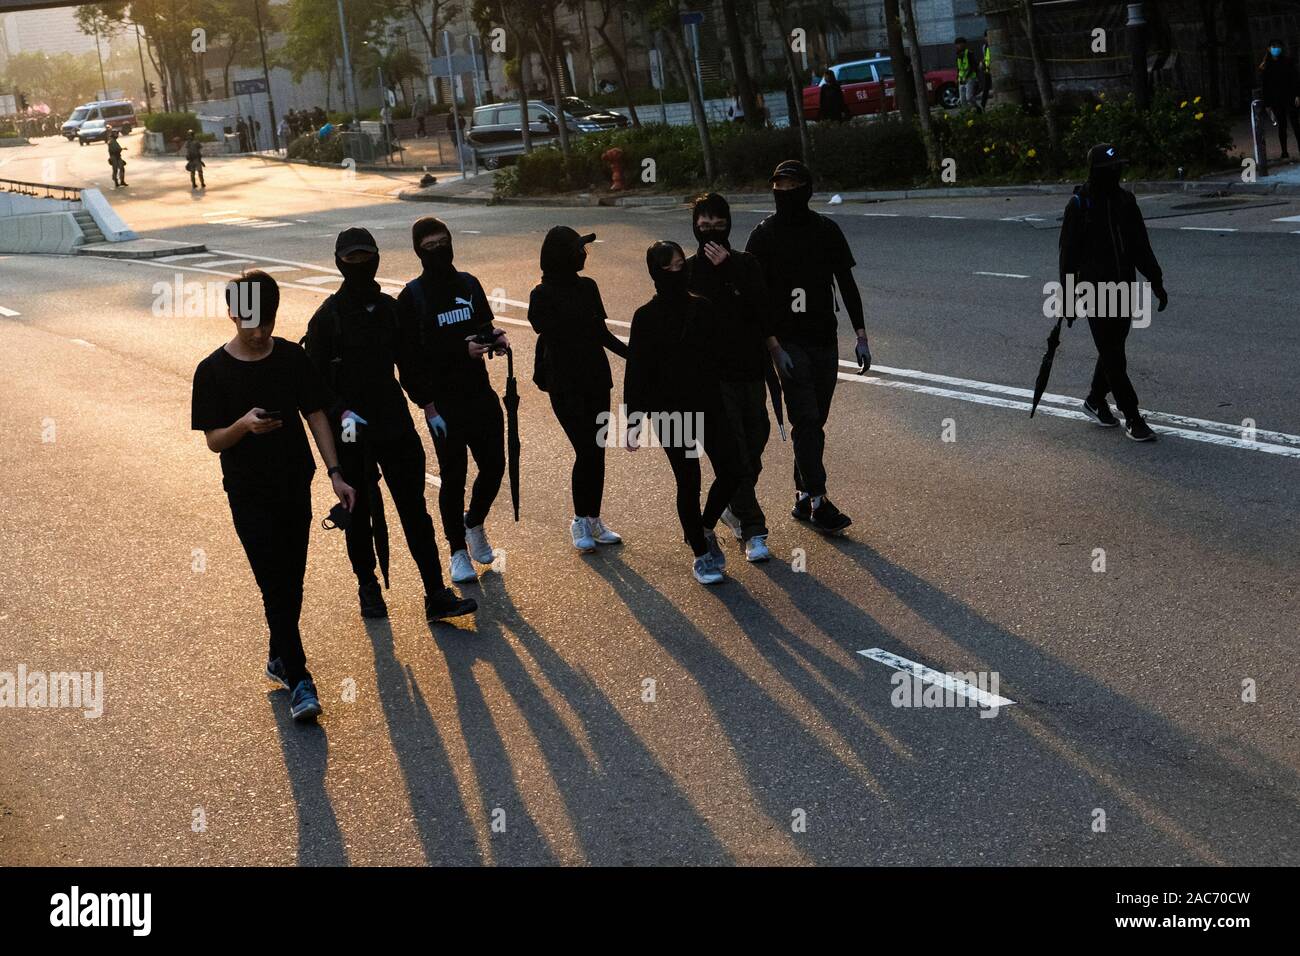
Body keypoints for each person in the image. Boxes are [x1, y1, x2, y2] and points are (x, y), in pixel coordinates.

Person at [190, 271, 357, 722]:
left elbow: (316, 413)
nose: (260, 331)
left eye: (267, 320)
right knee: (272, 581)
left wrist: (336, 474)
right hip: (248, 492)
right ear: (232, 314)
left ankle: (278, 654)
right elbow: (213, 440)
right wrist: (243, 426)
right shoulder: (212, 371)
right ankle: (300, 679)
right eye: (251, 322)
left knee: (292, 580)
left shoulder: (290, 358)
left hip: (293, 484)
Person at [304, 228, 478, 623]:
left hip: (394, 420)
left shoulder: (390, 309)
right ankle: (368, 586)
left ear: (378, 258)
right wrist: (340, 412)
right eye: (351, 260)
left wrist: (430, 407)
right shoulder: (327, 319)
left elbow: (410, 364)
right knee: (360, 511)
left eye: (367, 257)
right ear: (338, 263)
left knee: (414, 510)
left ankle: (435, 592)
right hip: (351, 430)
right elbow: (313, 388)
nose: (360, 266)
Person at [746, 160, 869, 534]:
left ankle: (801, 495)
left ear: (807, 189)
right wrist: (771, 346)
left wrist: (861, 336)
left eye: (792, 185)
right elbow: (754, 295)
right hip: (787, 342)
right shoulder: (764, 235)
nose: (785, 192)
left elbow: (846, 284)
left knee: (816, 421)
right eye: (779, 185)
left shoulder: (826, 230)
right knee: (807, 419)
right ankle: (819, 500)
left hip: (823, 337)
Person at [397, 217, 507, 585]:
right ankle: (457, 550)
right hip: (443, 406)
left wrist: (495, 338)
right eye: (430, 246)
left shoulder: (469, 284)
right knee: (454, 476)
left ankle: (473, 521)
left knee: (494, 466)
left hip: (480, 394)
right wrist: (425, 403)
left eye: (443, 242)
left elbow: (482, 325)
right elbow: (409, 360)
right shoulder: (412, 297)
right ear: (418, 251)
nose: (439, 250)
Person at [625, 241, 742, 585]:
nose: (680, 272)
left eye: (681, 264)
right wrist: (633, 421)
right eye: (670, 267)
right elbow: (637, 371)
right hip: (670, 413)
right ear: (656, 273)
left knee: (732, 469)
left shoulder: (702, 308)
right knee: (688, 480)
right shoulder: (645, 317)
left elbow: (723, 349)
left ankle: (704, 527)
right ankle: (701, 554)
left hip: (708, 403)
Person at [685, 193, 778, 563]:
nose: (710, 233)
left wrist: (730, 272)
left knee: (756, 443)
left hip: (751, 370)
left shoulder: (746, 264)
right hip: (713, 379)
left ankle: (729, 503)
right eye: (704, 227)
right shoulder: (689, 271)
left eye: (718, 226)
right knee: (736, 455)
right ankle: (754, 530)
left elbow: (761, 308)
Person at [527, 226, 629, 552]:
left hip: (597, 378)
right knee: (585, 449)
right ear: (562, 255)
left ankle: (594, 520)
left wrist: (635, 354)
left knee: (596, 451)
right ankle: (579, 521)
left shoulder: (589, 286)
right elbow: (546, 329)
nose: (584, 255)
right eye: (577, 250)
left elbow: (602, 334)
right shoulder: (541, 295)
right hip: (564, 383)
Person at [1058, 143, 1167, 443]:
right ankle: (1132, 416)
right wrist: (1067, 300)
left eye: (1119, 167)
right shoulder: (1079, 206)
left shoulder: (1125, 201)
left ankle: (1094, 399)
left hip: (1125, 288)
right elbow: (1067, 257)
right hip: (1095, 292)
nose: (1117, 173)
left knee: (1113, 349)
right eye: (1111, 169)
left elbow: (1140, 246)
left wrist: (1156, 280)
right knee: (1114, 356)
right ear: (1097, 172)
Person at [1260, 40, 1300, 159]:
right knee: (1282, 126)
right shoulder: (1266, 65)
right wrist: (1267, 104)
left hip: (1290, 97)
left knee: (1296, 124)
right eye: (1274, 47)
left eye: (1278, 47)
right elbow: (1265, 85)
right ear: (1269, 49)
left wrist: (1297, 95)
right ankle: (1284, 152)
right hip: (1276, 99)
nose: (1276, 49)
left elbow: (1295, 78)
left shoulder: (1287, 61)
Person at [956, 36, 981, 111]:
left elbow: (973, 66)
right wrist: (957, 78)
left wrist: (967, 77)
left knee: (969, 97)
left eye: (960, 44)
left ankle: (978, 108)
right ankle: (967, 113)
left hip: (970, 78)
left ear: (964, 44)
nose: (958, 46)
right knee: (962, 99)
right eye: (957, 44)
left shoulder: (969, 53)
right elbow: (958, 68)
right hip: (961, 79)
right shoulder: (958, 55)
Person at [980, 30, 993, 110]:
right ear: (985, 37)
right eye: (987, 36)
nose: (988, 38)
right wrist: (982, 62)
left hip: (995, 69)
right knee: (986, 88)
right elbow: (985, 57)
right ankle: (982, 105)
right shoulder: (984, 46)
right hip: (987, 70)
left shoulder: (993, 45)